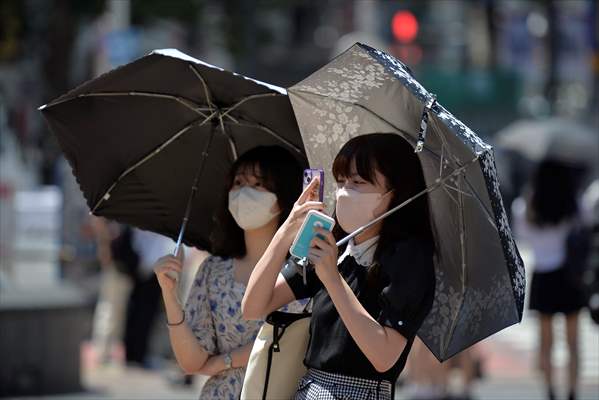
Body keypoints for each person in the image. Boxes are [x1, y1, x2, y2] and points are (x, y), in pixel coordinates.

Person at [242, 133, 436, 400]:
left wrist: (332, 279)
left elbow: (384, 356)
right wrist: (286, 231)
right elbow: (254, 306)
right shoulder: (335, 245)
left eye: (358, 182)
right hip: (310, 388)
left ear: (395, 193)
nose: (344, 191)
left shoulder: (410, 257)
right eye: (341, 181)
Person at [153, 146, 304, 400]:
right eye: (238, 182)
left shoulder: (304, 269)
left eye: (259, 184)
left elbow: (294, 341)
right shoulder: (214, 269)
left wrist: (225, 361)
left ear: (284, 195)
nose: (245, 192)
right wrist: (169, 295)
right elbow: (191, 362)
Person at [512, 159, 591, 400]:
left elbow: (521, 234)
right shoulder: (575, 201)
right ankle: (572, 391)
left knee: (545, 341)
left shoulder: (527, 204)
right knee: (573, 341)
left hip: (543, 275)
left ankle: (550, 391)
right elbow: (586, 226)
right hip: (569, 276)